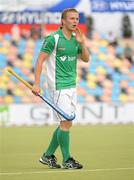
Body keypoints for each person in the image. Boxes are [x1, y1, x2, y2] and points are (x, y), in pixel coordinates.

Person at [32, 8, 90, 169]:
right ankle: (66, 160)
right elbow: (40, 60)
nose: (75, 21)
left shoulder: (75, 39)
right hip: (57, 86)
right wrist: (36, 83)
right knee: (66, 122)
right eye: (71, 18)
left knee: (66, 123)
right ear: (63, 21)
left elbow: (86, 59)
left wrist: (82, 43)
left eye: (77, 19)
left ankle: (47, 155)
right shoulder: (53, 39)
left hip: (72, 86)